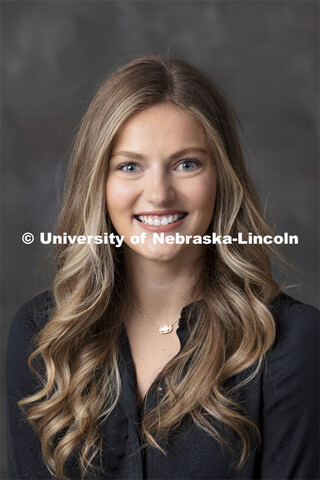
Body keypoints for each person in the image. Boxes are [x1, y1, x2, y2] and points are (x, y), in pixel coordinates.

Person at [6, 54, 319, 480]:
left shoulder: (292, 344)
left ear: (221, 178)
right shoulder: (42, 339)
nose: (158, 193)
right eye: (129, 166)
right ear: (98, 182)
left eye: (186, 163)